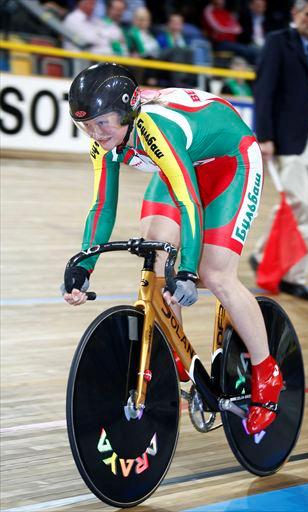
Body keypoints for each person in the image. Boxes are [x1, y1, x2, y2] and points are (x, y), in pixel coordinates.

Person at [62, 62, 283, 435]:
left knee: (214, 273)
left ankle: (267, 373)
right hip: (185, 160)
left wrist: (189, 267)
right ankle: (178, 358)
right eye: (86, 126)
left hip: (231, 160)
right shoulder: (104, 140)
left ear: (128, 112)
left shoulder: (155, 130)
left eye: (102, 124)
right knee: (155, 252)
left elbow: (189, 202)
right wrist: (85, 263)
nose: (96, 134)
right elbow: (102, 205)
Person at [249, 0, 308, 302]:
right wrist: (265, 136)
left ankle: (294, 276)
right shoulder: (278, 43)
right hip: (289, 138)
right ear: (295, 14)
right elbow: (264, 91)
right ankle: (263, 254)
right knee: (296, 201)